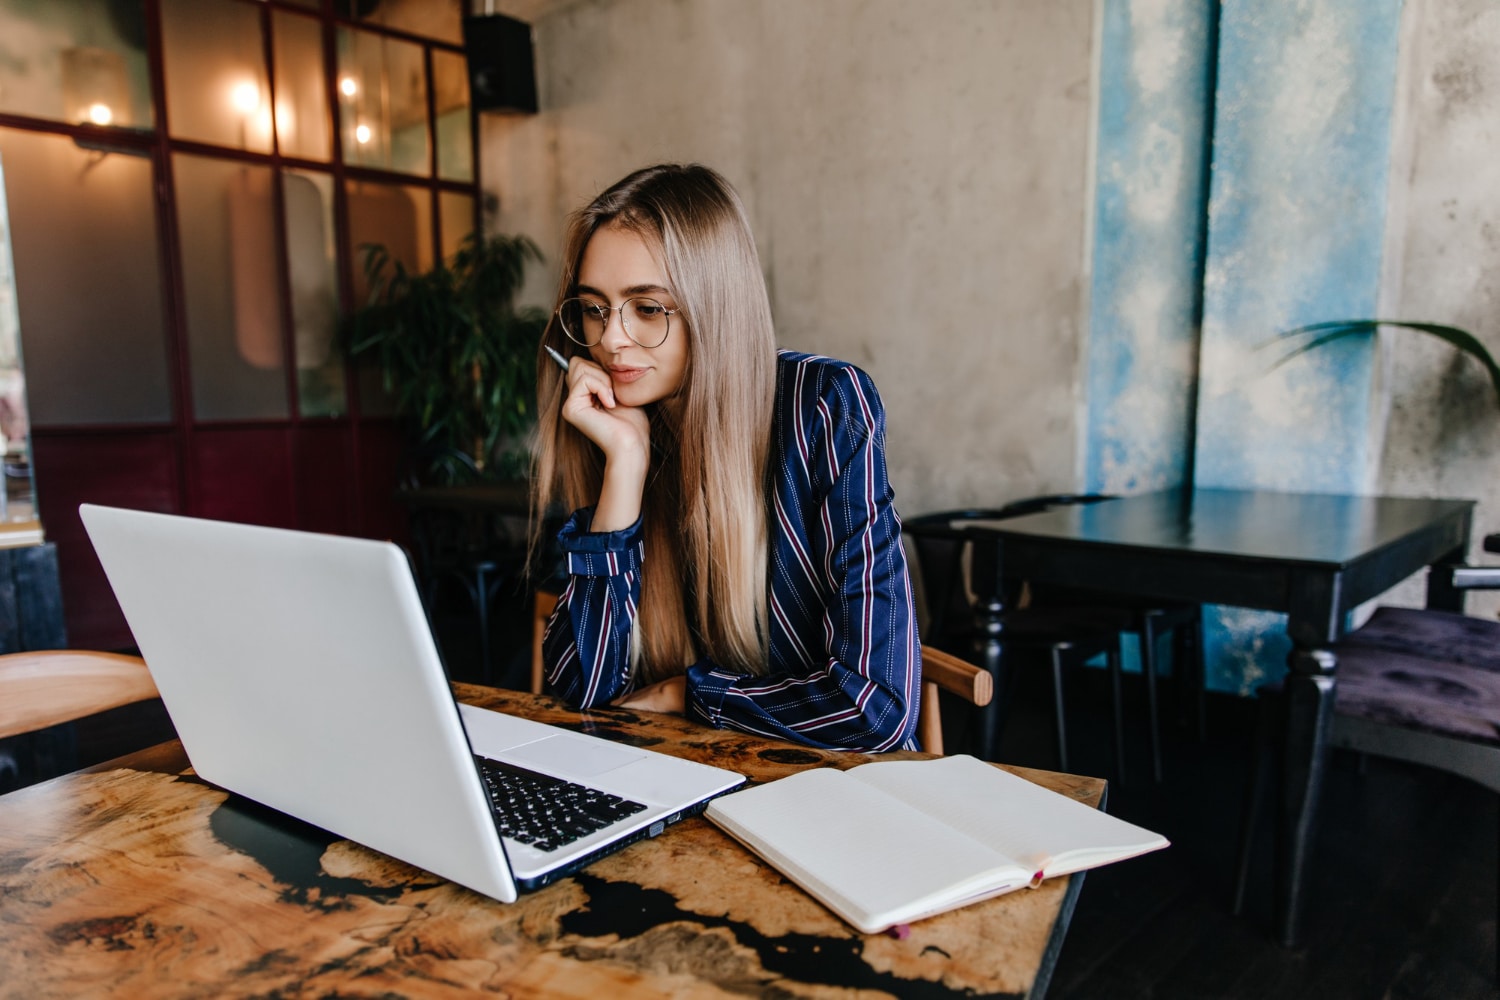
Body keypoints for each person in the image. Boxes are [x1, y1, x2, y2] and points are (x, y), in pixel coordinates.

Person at [530, 163, 921, 752]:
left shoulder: (823, 404)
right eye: (594, 308)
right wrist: (626, 465)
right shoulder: (616, 422)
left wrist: (690, 696)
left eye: (647, 308)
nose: (610, 340)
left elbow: (875, 709)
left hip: (832, 790)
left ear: (714, 306)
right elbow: (581, 693)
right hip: (689, 779)